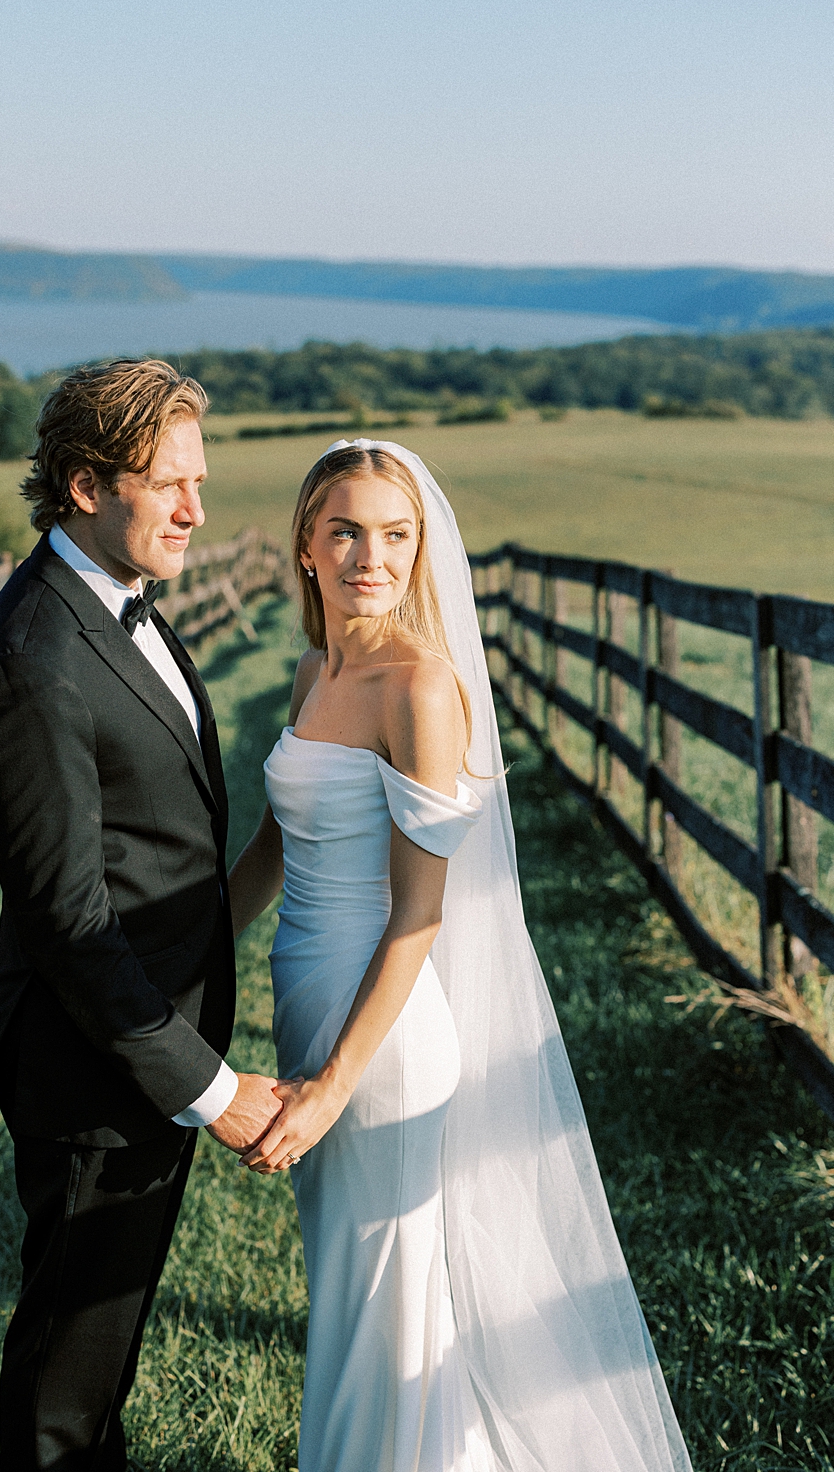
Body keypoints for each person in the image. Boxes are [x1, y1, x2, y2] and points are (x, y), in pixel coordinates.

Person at [226, 440, 690, 1470]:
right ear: (304, 542)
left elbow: (415, 917)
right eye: (344, 529)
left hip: (379, 1042)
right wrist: (181, 962)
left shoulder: (418, 689)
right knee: (360, 1304)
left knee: (382, 1317)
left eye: (394, 535)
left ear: (420, 548)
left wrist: (332, 1083)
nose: (368, 556)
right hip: (302, 1008)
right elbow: (272, 846)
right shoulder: (313, 670)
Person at [0, 358, 284, 1471]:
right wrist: (214, 1087)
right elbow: (68, 922)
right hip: (94, 1063)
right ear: (85, 485)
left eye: (198, 479)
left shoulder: (114, 603)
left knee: (102, 1355)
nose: (196, 508)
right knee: (66, 1372)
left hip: (140, 1042)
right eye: (167, 482)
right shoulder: (36, 658)